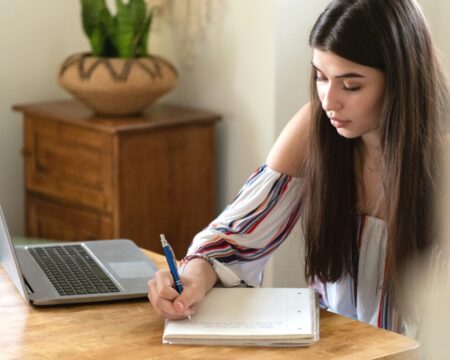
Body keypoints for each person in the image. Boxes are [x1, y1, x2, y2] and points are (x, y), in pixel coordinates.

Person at [148, 0, 449, 337]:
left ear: (401, 80)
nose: (329, 100)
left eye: (351, 86)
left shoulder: (442, 154)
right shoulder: (316, 127)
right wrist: (191, 279)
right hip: (336, 350)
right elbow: (234, 237)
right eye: (321, 77)